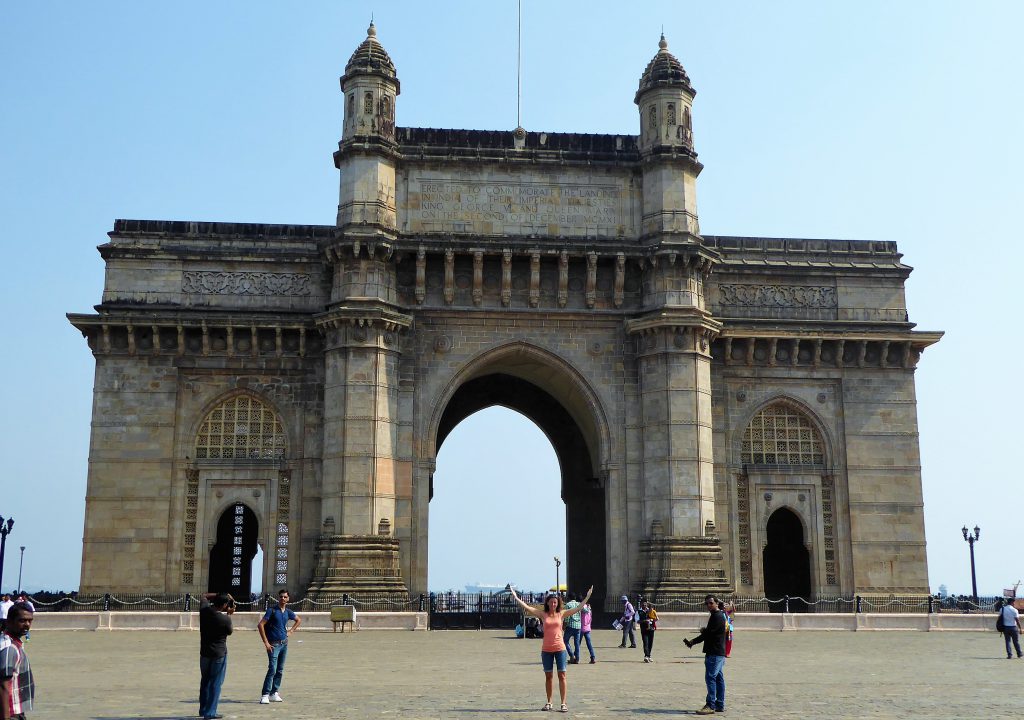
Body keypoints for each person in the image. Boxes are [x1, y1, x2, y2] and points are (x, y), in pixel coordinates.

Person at [510, 584, 593, 713]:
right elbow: (527, 607)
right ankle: (549, 702)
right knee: (548, 676)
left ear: (558, 603)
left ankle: (563, 703)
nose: (553, 604)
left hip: (560, 648)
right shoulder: (543, 614)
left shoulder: (562, 614)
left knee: (562, 675)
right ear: (547, 603)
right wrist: (515, 596)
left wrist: (587, 597)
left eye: (555, 602)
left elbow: (578, 608)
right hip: (546, 650)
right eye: (551, 602)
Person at [683, 594, 728, 715]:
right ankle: (720, 704)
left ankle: (710, 705)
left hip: (714, 652)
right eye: (707, 603)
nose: (708, 605)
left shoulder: (717, 616)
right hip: (717, 652)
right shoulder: (716, 615)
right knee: (718, 679)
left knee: (710, 678)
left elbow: (709, 634)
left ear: (717, 603)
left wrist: (700, 634)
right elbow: (708, 633)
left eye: (711, 603)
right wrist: (693, 641)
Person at [258, 589, 302, 704]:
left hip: (284, 643)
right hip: (273, 644)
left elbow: (298, 620)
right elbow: (260, 625)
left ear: (288, 599)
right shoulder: (272, 610)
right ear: (278, 598)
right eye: (281, 597)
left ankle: (274, 692)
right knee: (272, 669)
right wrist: (266, 643)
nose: (283, 598)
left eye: (285, 597)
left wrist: (291, 631)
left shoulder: (288, 612)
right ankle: (265, 694)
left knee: (280, 670)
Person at [199, 592, 235, 720]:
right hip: (219, 654)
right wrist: (229, 614)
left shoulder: (204, 611)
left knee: (205, 681)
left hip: (204, 653)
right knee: (215, 683)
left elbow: (204, 596)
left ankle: (203, 709)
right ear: (225, 605)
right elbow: (230, 632)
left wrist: (221, 594)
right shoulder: (224, 619)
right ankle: (210, 712)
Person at [0, 602, 34, 720]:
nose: (27, 624)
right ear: (9, 621)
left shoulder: (14, 643)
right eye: (22, 620)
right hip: (10, 712)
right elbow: (3, 684)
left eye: (30, 621)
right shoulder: (9, 647)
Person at [563, 594, 582, 664]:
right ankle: (577, 658)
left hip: (570, 626)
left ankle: (571, 655)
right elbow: (584, 611)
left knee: (565, 641)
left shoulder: (568, 605)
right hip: (578, 626)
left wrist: (564, 626)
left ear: (569, 598)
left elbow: (567, 617)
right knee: (577, 643)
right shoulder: (578, 604)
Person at [579, 598, 596, 664]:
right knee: (589, 644)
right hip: (588, 628)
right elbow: (590, 617)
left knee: (578, 644)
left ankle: (575, 657)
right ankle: (593, 657)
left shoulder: (581, 607)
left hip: (581, 628)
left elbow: (583, 612)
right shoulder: (589, 607)